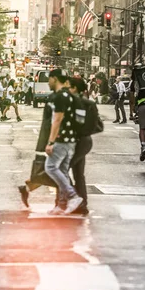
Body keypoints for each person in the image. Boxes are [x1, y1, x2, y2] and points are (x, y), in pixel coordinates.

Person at [44, 69, 82, 216]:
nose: (48, 82)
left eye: (49, 79)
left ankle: (72, 196)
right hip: (71, 139)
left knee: (50, 167)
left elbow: (57, 120)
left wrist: (50, 142)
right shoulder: (69, 96)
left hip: (62, 138)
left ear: (55, 79)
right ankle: (61, 205)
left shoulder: (59, 97)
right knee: (64, 172)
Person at [68, 77, 95, 216]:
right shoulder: (88, 103)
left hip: (78, 141)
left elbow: (77, 122)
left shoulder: (77, 102)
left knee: (62, 170)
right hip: (84, 141)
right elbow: (98, 126)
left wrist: (80, 132)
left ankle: (76, 201)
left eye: (69, 86)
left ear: (75, 88)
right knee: (79, 174)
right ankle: (82, 203)